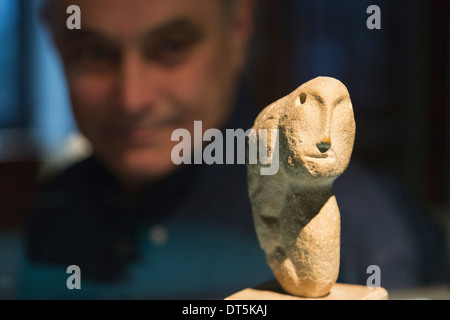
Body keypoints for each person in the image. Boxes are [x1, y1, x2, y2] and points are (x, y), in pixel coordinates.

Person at [20, 0, 274, 299]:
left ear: (239, 27)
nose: (131, 100)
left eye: (172, 48)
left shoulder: (317, 225)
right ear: (52, 33)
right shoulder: (56, 205)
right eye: (94, 53)